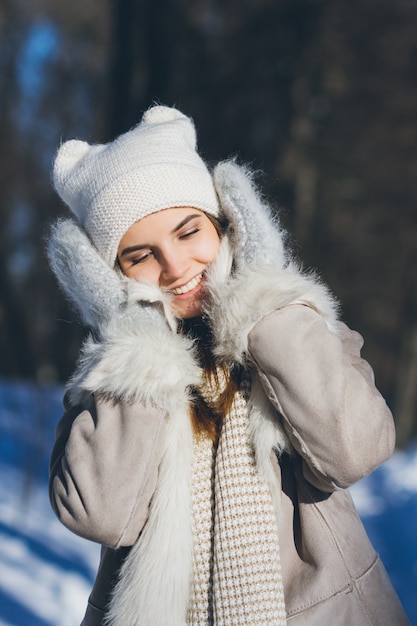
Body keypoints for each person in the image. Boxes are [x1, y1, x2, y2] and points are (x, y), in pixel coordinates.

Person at [47, 105, 410, 626]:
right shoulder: (105, 382)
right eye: (140, 256)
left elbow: (353, 451)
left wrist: (263, 302)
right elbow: (103, 516)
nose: (174, 268)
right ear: (110, 276)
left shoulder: (302, 328)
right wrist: (137, 349)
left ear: (224, 224)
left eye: (188, 231)